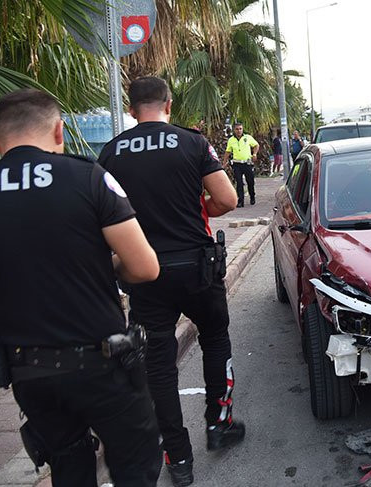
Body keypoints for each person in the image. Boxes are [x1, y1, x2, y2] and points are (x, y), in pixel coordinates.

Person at [0, 88, 162, 486]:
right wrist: (103, 268)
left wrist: (6, 285)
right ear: (59, 131)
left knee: (68, 466)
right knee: (136, 466)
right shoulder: (87, 177)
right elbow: (145, 267)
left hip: (29, 371)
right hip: (102, 365)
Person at [97, 77, 243, 487]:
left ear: (131, 109)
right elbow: (227, 200)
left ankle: (178, 457)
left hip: (145, 273)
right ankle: (220, 424)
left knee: (158, 365)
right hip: (197, 267)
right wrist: (200, 209)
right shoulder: (193, 142)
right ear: (169, 104)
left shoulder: (111, 153)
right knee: (215, 339)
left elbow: (103, 219)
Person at [222, 123, 259, 207]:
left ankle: (252, 196)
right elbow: (227, 152)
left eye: (240, 129)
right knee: (239, 183)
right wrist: (224, 163)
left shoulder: (248, 137)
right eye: (237, 129)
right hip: (237, 164)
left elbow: (256, 145)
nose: (239, 131)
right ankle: (240, 201)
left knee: (250, 182)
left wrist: (254, 154)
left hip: (247, 163)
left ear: (242, 129)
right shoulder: (231, 140)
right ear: (234, 130)